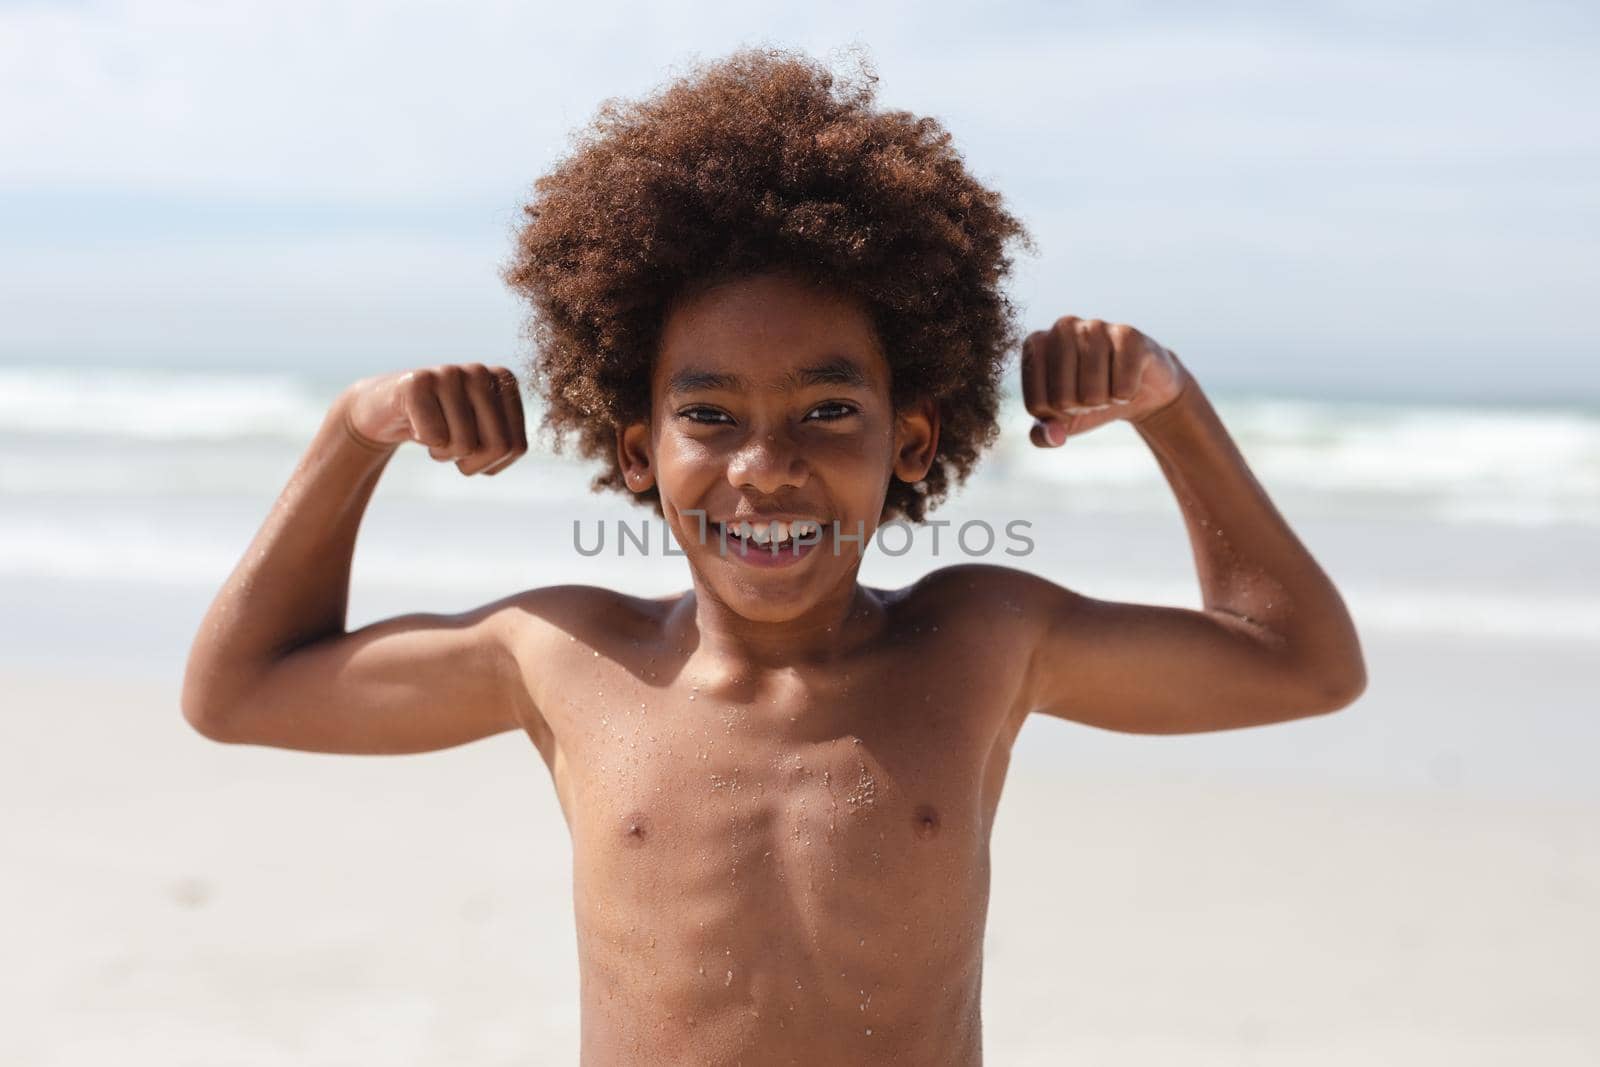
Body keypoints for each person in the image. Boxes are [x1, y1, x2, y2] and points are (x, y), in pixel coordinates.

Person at [182, 46, 1365, 1065]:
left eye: (826, 410)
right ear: (636, 449)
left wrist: (1165, 400)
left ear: (911, 437)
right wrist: (354, 432)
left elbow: (1302, 662)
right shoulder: (561, 653)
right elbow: (237, 692)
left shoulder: (985, 639)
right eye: (709, 416)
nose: (764, 464)